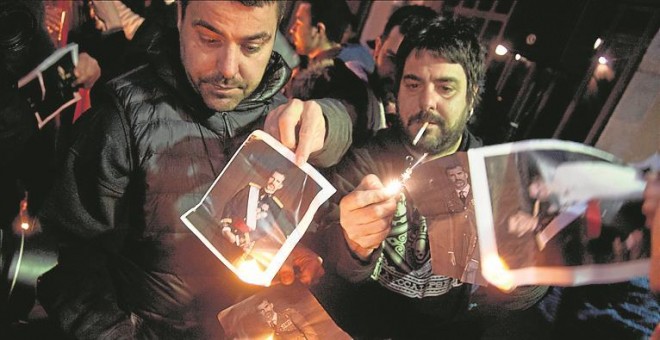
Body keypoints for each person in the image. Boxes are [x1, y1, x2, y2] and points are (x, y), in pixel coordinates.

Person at [37, 1, 352, 338]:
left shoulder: (282, 125)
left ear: (276, 34)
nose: (228, 68)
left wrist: (293, 255)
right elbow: (71, 265)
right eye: (209, 39)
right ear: (180, 18)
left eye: (252, 46)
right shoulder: (124, 119)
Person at [312, 18, 549, 338]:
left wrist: (524, 273)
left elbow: (518, 297)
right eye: (413, 84)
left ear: (471, 98)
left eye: (446, 87)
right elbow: (326, 255)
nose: (426, 102)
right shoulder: (365, 161)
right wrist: (354, 245)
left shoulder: (499, 180)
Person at [287, 0, 381, 144]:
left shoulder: (332, 77)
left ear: (319, 30)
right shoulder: (311, 67)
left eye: (299, 23)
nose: (292, 30)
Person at [368, 5, 437, 123]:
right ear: (378, 48)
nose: (397, 74)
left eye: (411, 67)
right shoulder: (354, 92)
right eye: (392, 59)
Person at [432, 163, 482, 284]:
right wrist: (450, 252)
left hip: (476, 250)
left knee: (472, 286)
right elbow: (446, 227)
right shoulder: (446, 198)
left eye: (459, 174)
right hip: (456, 252)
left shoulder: (480, 194)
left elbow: (486, 228)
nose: (457, 178)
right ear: (449, 178)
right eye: (452, 175)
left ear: (466, 175)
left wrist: (476, 258)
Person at [221, 170, 293, 254]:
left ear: (280, 186)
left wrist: (238, 239)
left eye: (277, 181)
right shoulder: (250, 189)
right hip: (227, 231)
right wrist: (226, 229)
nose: (273, 182)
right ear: (268, 178)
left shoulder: (276, 208)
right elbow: (231, 205)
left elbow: (264, 230)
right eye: (272, 178)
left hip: (242, 244)